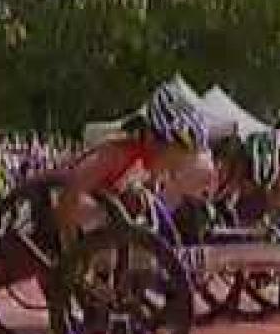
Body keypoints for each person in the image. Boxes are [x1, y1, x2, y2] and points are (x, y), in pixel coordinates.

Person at [55, 74, 216, 247]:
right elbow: (68, 194)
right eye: (174, 157)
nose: (174, 167)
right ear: (153, 139)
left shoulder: (147, 169)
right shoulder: (116, 154)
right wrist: (74, 254)